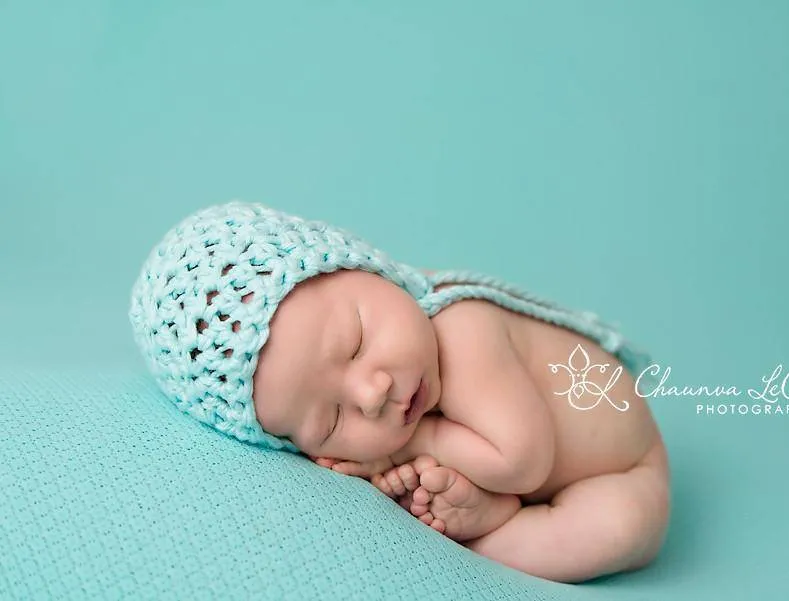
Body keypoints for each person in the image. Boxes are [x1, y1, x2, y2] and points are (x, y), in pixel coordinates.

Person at [129, 200, 670, 583]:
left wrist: (412, 444)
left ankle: (493, 521)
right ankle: (497, 519)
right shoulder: (394, 347)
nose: (371, 392)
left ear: (371, 267)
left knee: (617, 530)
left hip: (624, 467)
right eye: (332, 421)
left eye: (356, 340)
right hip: (528, 470)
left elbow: (524, 462)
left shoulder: (463, 329)